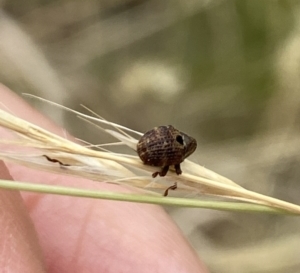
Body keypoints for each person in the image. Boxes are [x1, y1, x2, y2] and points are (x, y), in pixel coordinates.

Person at [0, 84, 208, 273]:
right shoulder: (175, 153)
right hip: (149, 150)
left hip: (147, 146)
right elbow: (173, 170)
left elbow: (168, 161)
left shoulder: (172, 138)